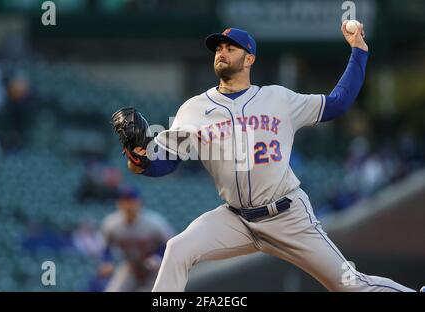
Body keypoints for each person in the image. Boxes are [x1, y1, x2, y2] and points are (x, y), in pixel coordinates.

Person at [127, 22, 417, 292]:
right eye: (218, 48)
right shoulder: (193, 109)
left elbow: (338, 104)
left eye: (230, 48)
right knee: (178, 249)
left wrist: (358, 49)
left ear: (250, 59)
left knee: (349, 285)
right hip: (235, 218)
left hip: (287, 216)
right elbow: (166, 161)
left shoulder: (278, 99)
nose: (221, 53)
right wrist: (140, 161)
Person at [99, 185, 174, 291]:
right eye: (124, 201)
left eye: (131, 201)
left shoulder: (155, 223)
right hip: (131, 267)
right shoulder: (111, 224)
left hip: (154, 269)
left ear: (139, 202)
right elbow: (105, 247)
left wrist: (157, 256)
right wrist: (107, 261)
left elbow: (171, 244)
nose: (128, 205)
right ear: (118, 203)